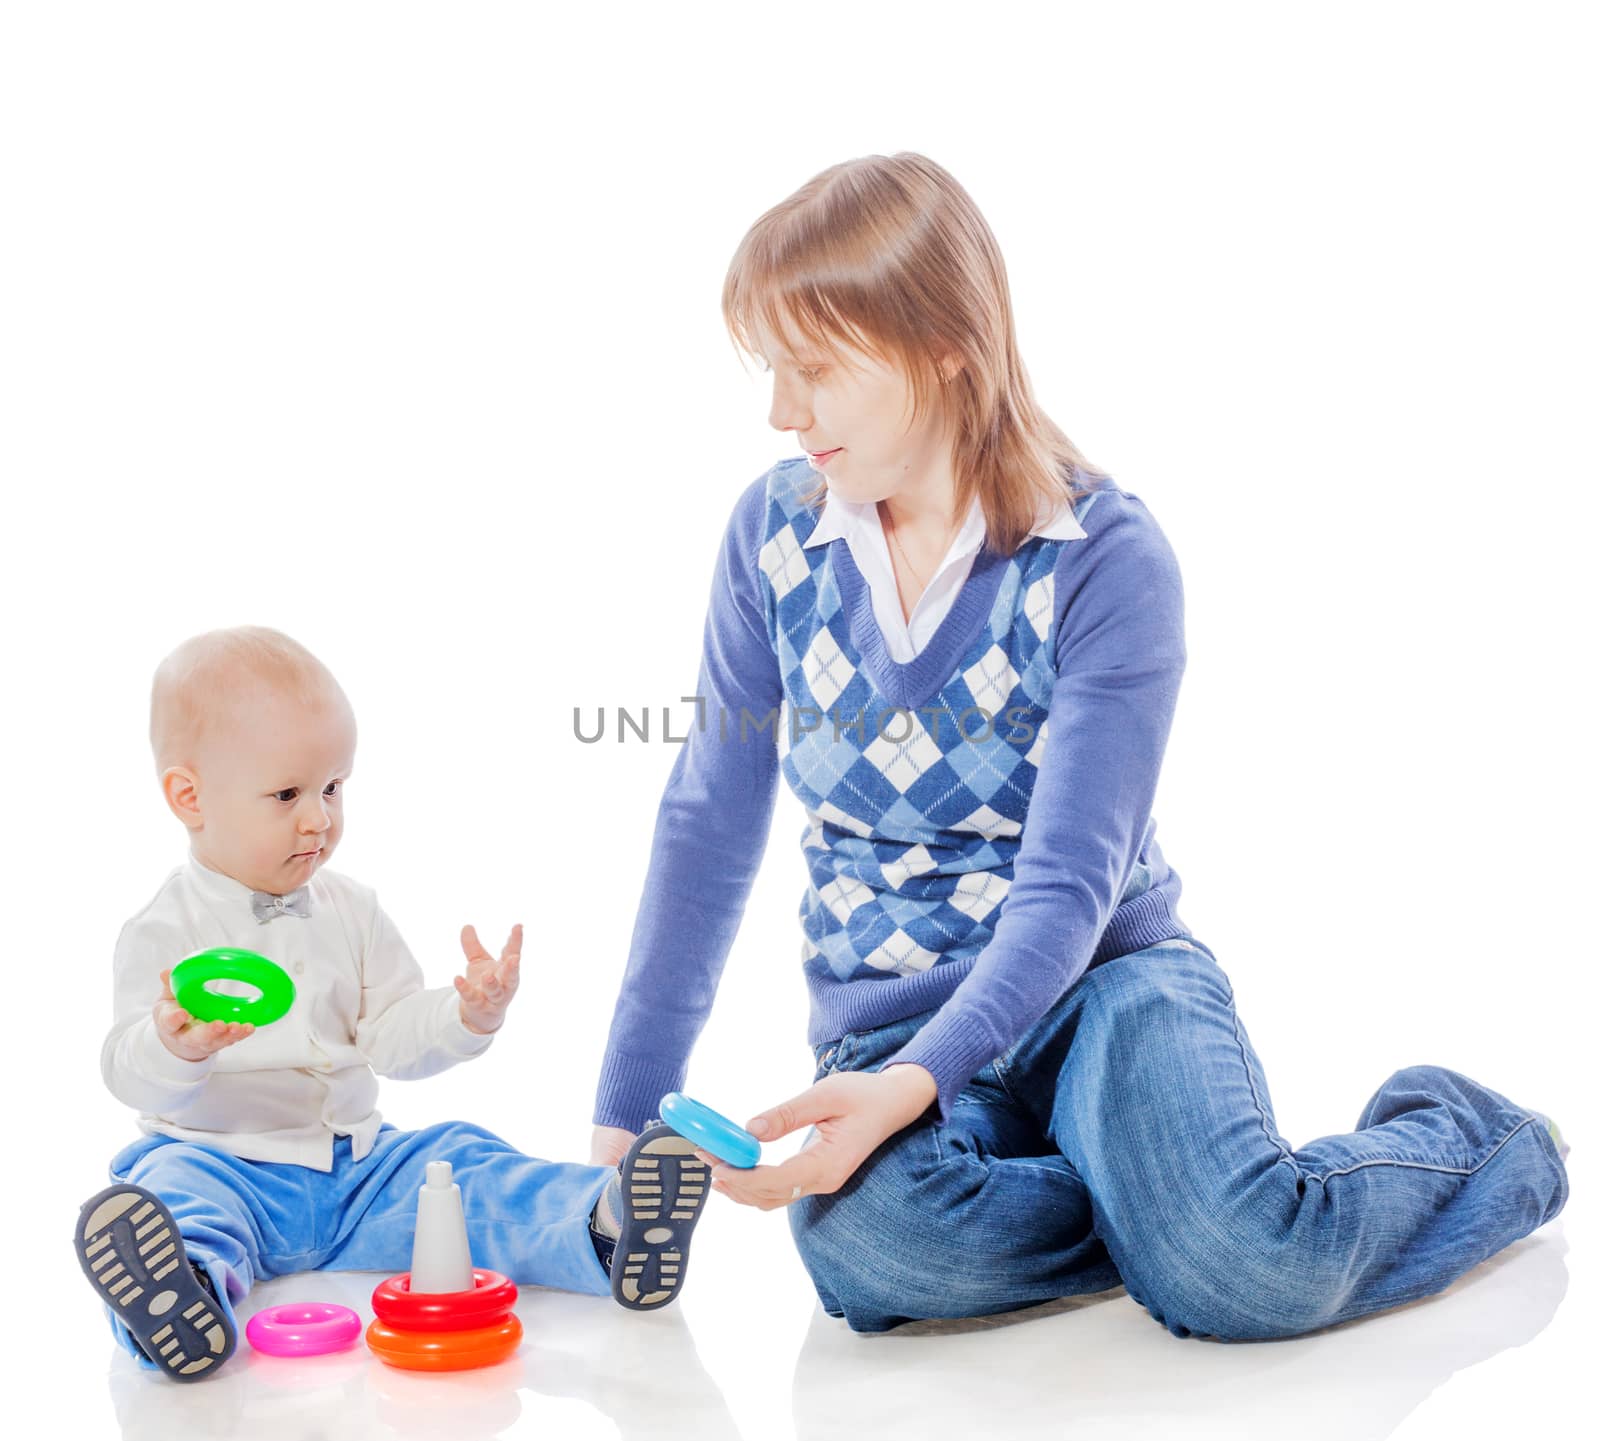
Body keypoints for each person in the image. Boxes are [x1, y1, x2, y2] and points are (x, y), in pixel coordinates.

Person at [589, 151, 1571, 1338]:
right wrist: (627, 1107)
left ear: (943, 345)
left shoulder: (1105, 558)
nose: (780, 413)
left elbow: (1067, 885)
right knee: (877, 1255)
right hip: (890, 1013)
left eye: (814, 371)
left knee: (1249, 1273)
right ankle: (1171, 1211)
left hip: (1104, 978)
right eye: (771, 372)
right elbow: (708, 813)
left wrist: (907, 1092)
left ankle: (1467, 1136)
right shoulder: (772, 535)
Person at [76, 627, 709, 1381]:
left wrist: (467, 1013)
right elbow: (125, 1071)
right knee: (169, 1197)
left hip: (356, 1169)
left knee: (461, 1165)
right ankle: (180, 1298)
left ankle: (607, 1222)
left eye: (333, 787)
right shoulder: (162, 928)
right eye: (287, 794)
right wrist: (172, 1045)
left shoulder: (353, 909)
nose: (319, 819)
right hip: (218, 1161)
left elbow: (393, 1037)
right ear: (189, 796)